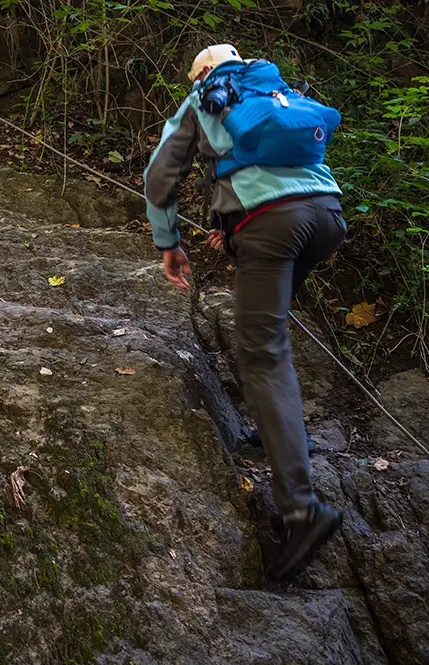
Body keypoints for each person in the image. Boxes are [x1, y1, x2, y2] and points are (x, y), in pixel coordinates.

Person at [143, 43, 348, 580]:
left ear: (203, 73)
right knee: (269, 337)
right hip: (326, 216)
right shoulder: (275, 87)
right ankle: (273, 429)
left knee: (262, 352)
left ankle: (302, 509)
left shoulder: (203, 97)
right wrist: (231, 221)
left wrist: (170, 241)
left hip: (275, 224)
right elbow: (272, 167)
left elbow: (160, 176)